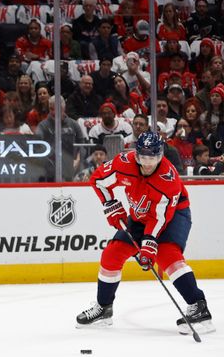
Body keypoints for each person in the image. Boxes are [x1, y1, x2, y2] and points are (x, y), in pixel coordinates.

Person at [77, 131, 214, 336]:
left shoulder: (168, 180)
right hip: (141, 215)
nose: (147, 163)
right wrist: (111, 205)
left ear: (161, 156)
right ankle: (104, 309)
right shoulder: (124, 162)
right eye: (143, 157)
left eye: (153, 158)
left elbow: (159, 219)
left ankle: (199, 307)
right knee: (112, 253)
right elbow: (98, 180)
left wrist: (149, 246)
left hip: (173, 215)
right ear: (136, 154)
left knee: (167, 254)